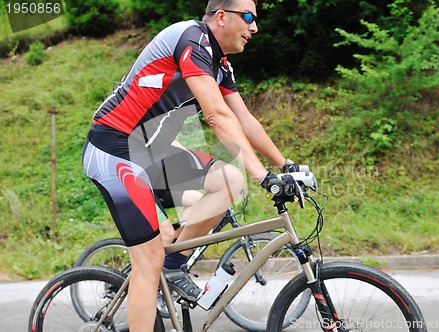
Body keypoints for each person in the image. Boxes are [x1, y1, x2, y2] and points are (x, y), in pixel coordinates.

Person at [82, 0, 299, 331]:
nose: (255, 27)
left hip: (148, 151)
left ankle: (173, 264)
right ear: (222, 17)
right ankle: (157, 265)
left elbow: (245, 119)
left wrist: (287, 166)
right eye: (250, 17)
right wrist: (263, 175)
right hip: (114, 149)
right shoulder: (192, 38)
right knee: (148, 260)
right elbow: (216, 115)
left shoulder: (218, 63)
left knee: (227, 181)